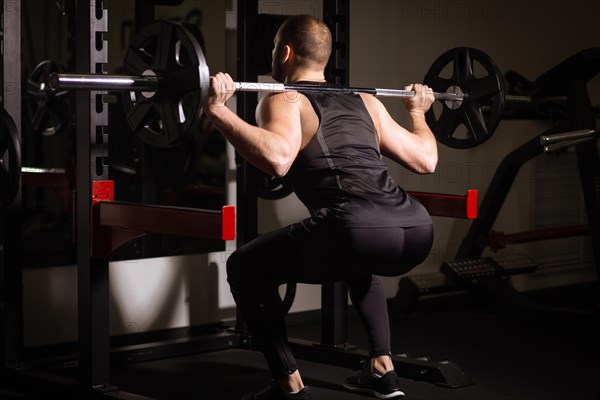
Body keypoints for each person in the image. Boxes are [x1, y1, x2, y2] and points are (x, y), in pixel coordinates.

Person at [205, 14, 436, 400]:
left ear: (287, 52)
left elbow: (278, 159)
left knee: (243, 267)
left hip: (356, 228)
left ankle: (289, 387)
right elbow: (426, 160)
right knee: (359, 259)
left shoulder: (284, 97)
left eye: (276, 46)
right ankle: (383, 369)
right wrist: (417, 114)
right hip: (416, 228)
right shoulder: (366, 100)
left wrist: (218, 111)